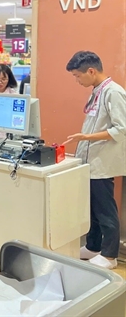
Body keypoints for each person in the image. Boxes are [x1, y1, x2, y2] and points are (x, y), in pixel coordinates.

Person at [64, 51, 126, 270]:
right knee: (91, 209)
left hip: (102, 163)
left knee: (105, 210)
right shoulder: (97, 91)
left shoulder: (114, 92)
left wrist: (86, 138)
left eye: (77, 76)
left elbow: (121, 128)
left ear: (91, 71)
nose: (77, 80)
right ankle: (93, 246)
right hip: (89, 161)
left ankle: (109, 255)